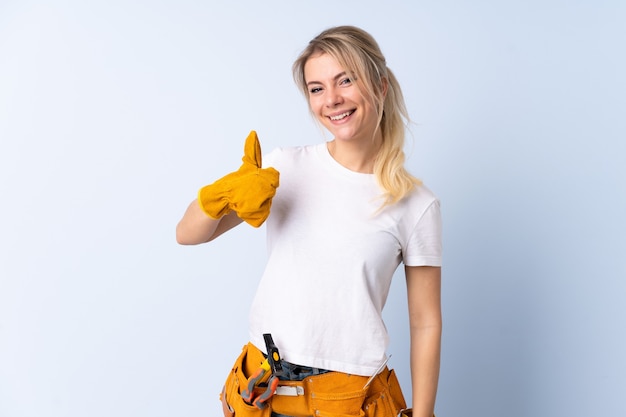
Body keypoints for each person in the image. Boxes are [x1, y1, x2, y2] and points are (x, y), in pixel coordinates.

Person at [176, 25, 442, 417]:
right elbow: (187, 235)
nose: (332, 100)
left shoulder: (416, 205)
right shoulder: (284, 167)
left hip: (348, 400)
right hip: (261, 391)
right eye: (316, 89)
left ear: (380, 85)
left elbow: (425, 323)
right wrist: (218, 195)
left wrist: (424, 414)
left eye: (345, 81)